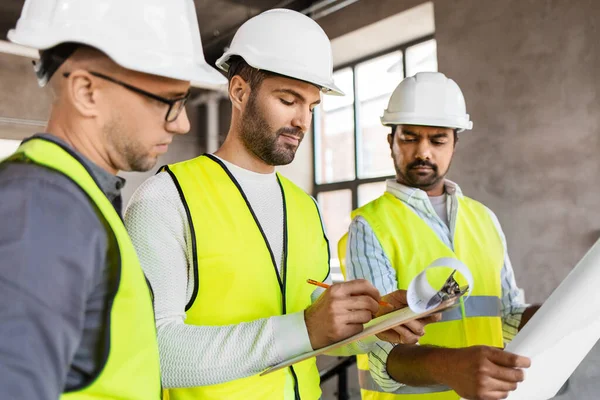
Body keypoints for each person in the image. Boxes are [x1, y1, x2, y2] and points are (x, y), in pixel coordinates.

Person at [124, 9, 437, 400]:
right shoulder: (166, 199)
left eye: (311, 107)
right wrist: (304, 327)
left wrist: (366, 326)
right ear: (239, 92)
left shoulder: (303, 208)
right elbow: (157, 352)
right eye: (288, 99)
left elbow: (310, 336)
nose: (302, 121)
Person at [0, 0, 225, 399]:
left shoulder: (81, 198)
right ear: (87, 91)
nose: (182, 122)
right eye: (167, 100)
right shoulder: (43, 210)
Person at [340, 72, 540, 400]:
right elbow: (379, 347)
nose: (423, 152)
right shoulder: (370, 226)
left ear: (455, 143)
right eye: (409, 137)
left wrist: (571, 310)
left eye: (437, 139)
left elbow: (506, 317)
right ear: (390, 141)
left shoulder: (484, 218)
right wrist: (451, 366)